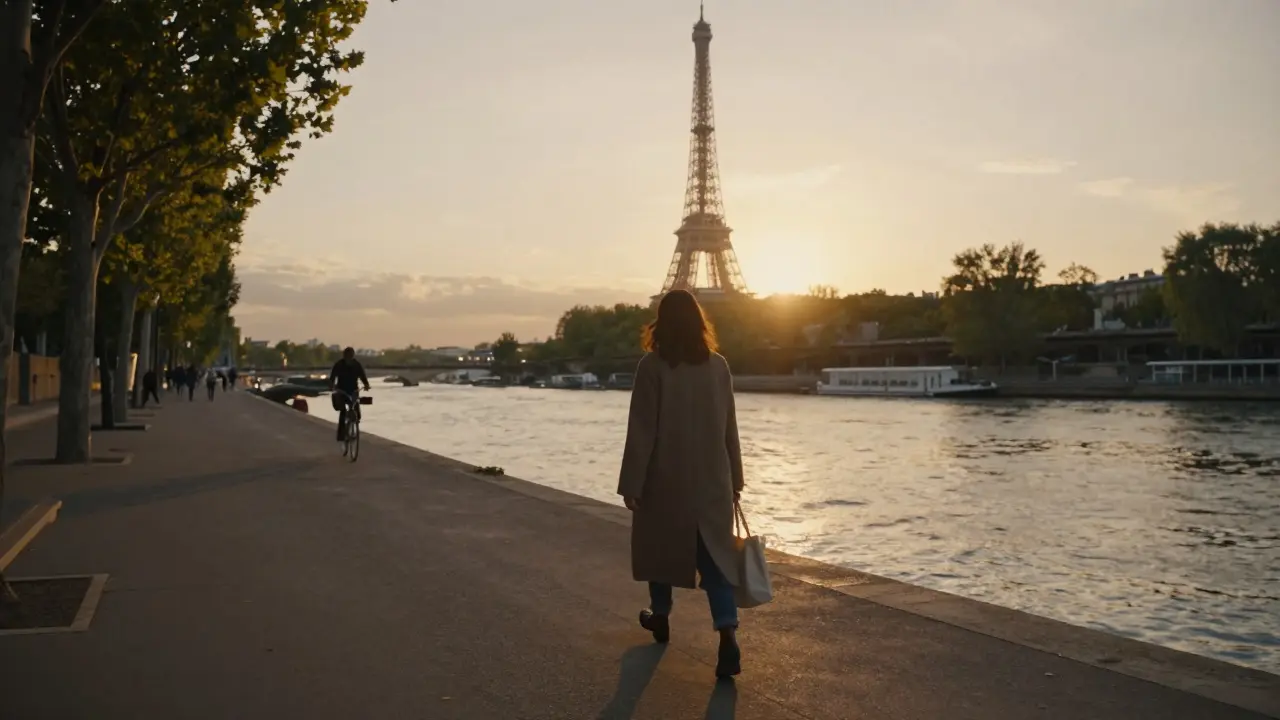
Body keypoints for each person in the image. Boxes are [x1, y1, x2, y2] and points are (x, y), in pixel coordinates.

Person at [617, 289, 745, 679]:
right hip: (712, 482)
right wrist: (736, 479)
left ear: (662, 324)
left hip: (665, 480)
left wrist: (631, 483)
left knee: (661, 549)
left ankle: (660, 616)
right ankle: (727, 635)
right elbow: (730, 430)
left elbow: (642, 431)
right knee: (717, 564)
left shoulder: (652, 368)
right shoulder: (719, 366)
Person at [329, 347, 371, 441]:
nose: (349, 358)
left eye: (351, 356)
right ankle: (341, 435)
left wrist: (366, 384)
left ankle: (354, 424)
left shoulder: (356, 365)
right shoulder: (339, 365)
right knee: (343, 411)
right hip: (342, 390)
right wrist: (331, 385)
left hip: (353, 390)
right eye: (348, 356)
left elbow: (362, 376)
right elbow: (333, 376)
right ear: (344, 356)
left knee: (356, 409)